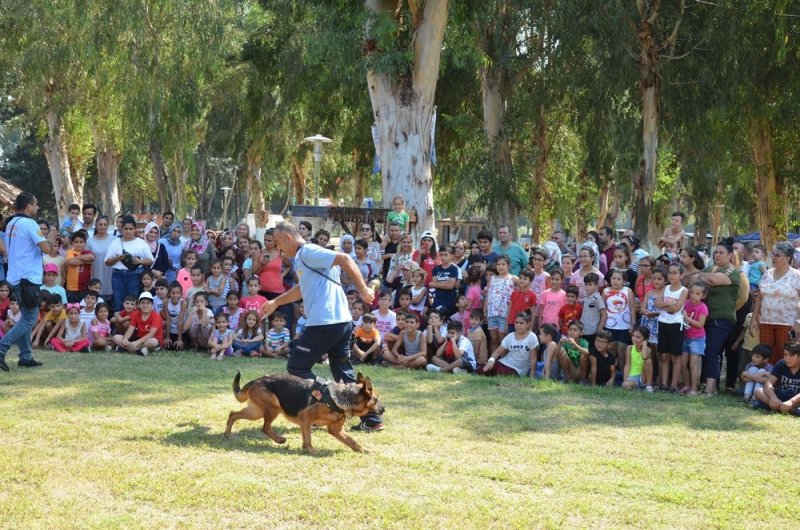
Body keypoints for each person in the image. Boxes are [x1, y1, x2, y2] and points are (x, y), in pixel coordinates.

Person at [260, 222, 379, 431]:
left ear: (288, 238)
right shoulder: (305, 258)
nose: (278, 249)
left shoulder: (307, 251)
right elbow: (302, 289)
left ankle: (327, 401)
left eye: (278, 243)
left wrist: (362, 288)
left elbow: (344, 258)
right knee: (341, 368)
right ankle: (371, 419)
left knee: (297, 366)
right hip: (341, 320)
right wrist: (277, 302)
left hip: (325, 321)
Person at [0, 192, 57, 371]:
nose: (38, 207)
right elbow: (47, 249)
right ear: (28, 206)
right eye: (36, 204)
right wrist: (51, 239)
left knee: (25, 316)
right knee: (30, 319)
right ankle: (1, 348)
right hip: (28, 278)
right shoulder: (29, 223)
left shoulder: (10, 224)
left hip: (15, 276)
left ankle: (25, 356)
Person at [683, 238, 741, 396]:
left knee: (711, 351)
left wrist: (698, 276)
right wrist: (698, 276)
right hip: (706, 318)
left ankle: (710, 389)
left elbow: (710, 279)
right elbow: (693, 280)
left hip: (722, 318)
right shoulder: (712, 267)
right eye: (715, 252)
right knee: (709, 351)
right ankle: (709, 386)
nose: (717, 255)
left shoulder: (731, 271)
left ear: (730, 255)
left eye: (721, 253)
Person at [749, 241, 800, 365]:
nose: (773, 258)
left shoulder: (796, 275)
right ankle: (766, 383)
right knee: (765, 357)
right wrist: (753, 319)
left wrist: (798, 321)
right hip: (766, 322)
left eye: (777, 255)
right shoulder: (767, 274)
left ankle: (783, 384)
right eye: (773, 255)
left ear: (787, 258)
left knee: (784, 357)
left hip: (787, 323)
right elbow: (759, 297)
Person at [105, 216, 154, 313]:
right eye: (126, 229)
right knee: (118, 303)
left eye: (131, 229)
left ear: (135, 230)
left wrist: (140, 261)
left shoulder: (141, 243)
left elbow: (150, 260)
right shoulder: (115, 242)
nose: (128, 231)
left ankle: (132, 326)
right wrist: (116, 259)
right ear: (121, 229)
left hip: (135, 275)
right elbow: (107, 262)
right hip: (118, 275)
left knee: (132, 303)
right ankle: (118, 327)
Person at [481, 312, 539, 377]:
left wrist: (532, 374)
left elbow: (533, 358)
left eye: (521, 323)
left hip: (518, 370)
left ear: (528, 324)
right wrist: (491, 361)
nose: (518, 325)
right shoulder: (510, 336)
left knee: (501, 373)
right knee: (483, 370)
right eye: (516, 322)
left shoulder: (532, 337)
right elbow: (497, 351)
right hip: (504, 363)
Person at [753, 341, 800, 416]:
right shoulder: (781, 363)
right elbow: (768, 384)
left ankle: (776, 407)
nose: (787, 358)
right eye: (785, 355)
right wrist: (773, 398)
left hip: (797, 399)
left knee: (760, 405)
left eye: (791, 355)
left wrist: (791, 402)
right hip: (781, 396)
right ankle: (792, 411)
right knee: (758, 391)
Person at [112, 291, 163, 356]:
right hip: (139, 339)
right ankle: (140, 350)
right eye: (143, 303)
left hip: (151, 340)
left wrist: (136, 343)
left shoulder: (156, 316)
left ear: (152, 305)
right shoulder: (136, 314)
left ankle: (126, 348)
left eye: (148, 303)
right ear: (139, 305)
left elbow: (151, 334)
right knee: (116, 337)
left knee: (152, 342)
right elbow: (130, 330)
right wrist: (125, 339)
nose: (145, 305)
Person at [682, 282, 709, 396]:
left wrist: (687, 318)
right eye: (692, 292)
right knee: (683, 363)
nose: (693, 295)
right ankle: (687, 385)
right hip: (685, 337)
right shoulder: (686, 303)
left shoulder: (703, 307)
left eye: (697, 294)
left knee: (693, 365)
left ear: (703, 296)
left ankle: (694, 389)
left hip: (697, 339)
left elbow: (700, 324)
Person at [86, 216, 115, 307]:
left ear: (108, 226)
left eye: (105, 224)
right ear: (96, 225)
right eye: (100, 224)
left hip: (112, 275)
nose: (102, 226)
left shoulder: (114, 240)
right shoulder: (89, 242)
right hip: (97, 275)